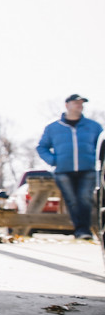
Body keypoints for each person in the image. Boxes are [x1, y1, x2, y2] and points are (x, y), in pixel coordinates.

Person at [36, 94, 103, 241]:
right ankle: (79, 229)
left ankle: (85, 230)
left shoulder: (93, 126)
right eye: (76, 103)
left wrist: (95, 161)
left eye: (81, 103)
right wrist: (54, 160)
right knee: (72, 200)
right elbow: (42, 147)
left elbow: (101, 147)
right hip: (63, 170)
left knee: (85, 198)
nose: (79, 106)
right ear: (67, 105)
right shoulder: (53, 127)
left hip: (88, 169)